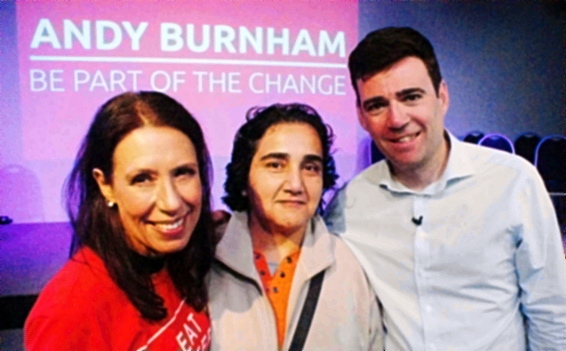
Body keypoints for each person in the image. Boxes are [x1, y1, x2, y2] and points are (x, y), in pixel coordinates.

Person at [323, 26, 566, 350]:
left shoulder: (513, 182)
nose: (397, 119)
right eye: (377, 105)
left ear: (442, 96)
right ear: (361, 117)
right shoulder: (350, 203)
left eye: (411, 97)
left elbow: (552, 314)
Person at [24, 91, 215, 350]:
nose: (171, 203)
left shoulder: (179, 256)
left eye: (183, 173)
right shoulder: (69, 313)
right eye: (143, 179)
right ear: (106, 185)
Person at [208, 103, 383, 350]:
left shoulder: (351, 266)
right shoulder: (205, 261)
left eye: (310, 168)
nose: (295, 184)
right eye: (276, 165)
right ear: (243, 178)